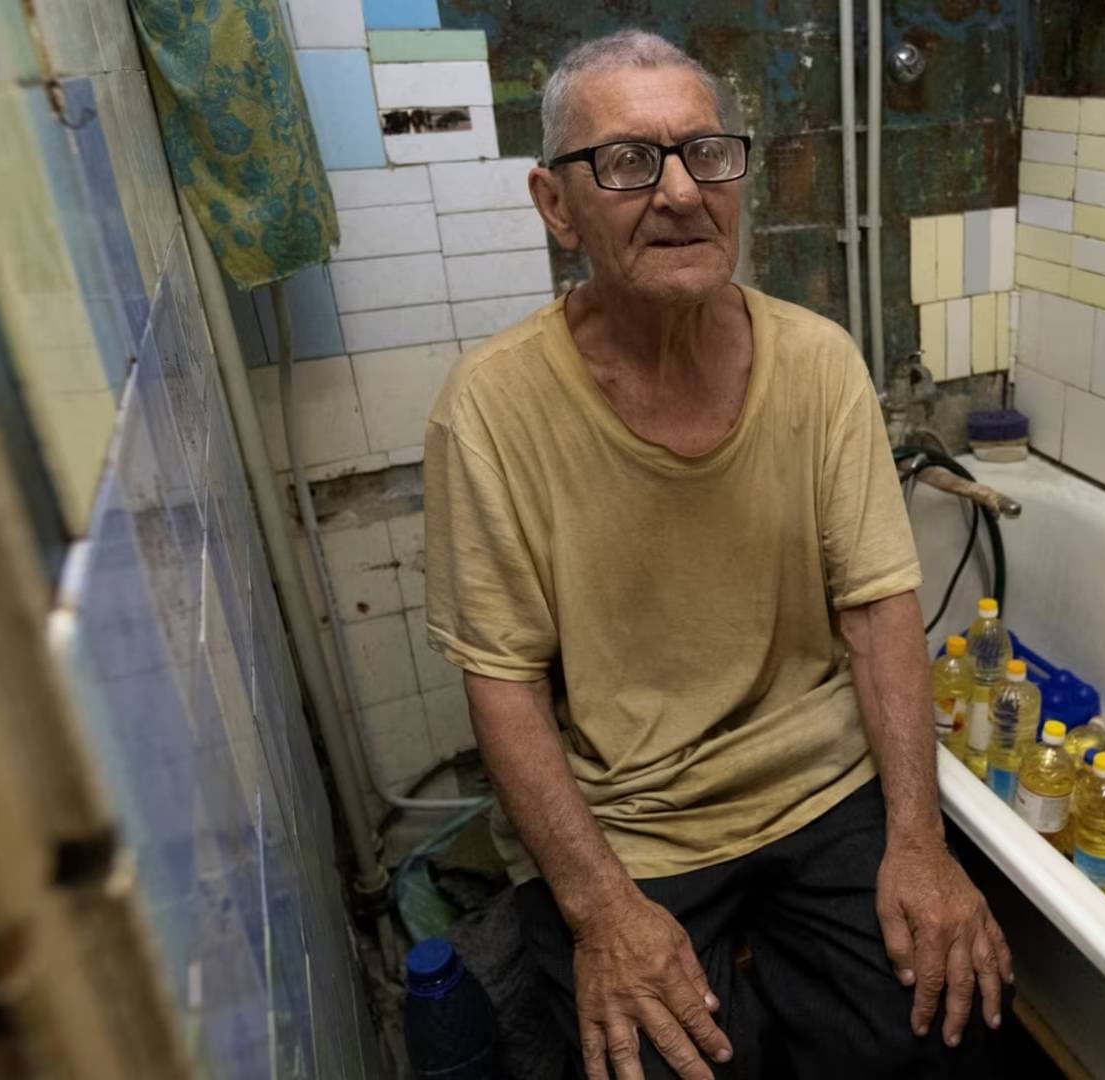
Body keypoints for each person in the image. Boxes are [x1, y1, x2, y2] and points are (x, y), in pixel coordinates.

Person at [422, 28, 1011, 1080]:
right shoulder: (493, 408)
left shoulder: (820, 364)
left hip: (818, 787)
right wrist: (600, 908)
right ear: (556, 205)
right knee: (674, 1063)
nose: (684, 193)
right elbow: (502, 681)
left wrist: (919, 844)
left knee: (938, 1025)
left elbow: (879, 615)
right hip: (631, 821)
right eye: (630, 162)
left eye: (708, 153)